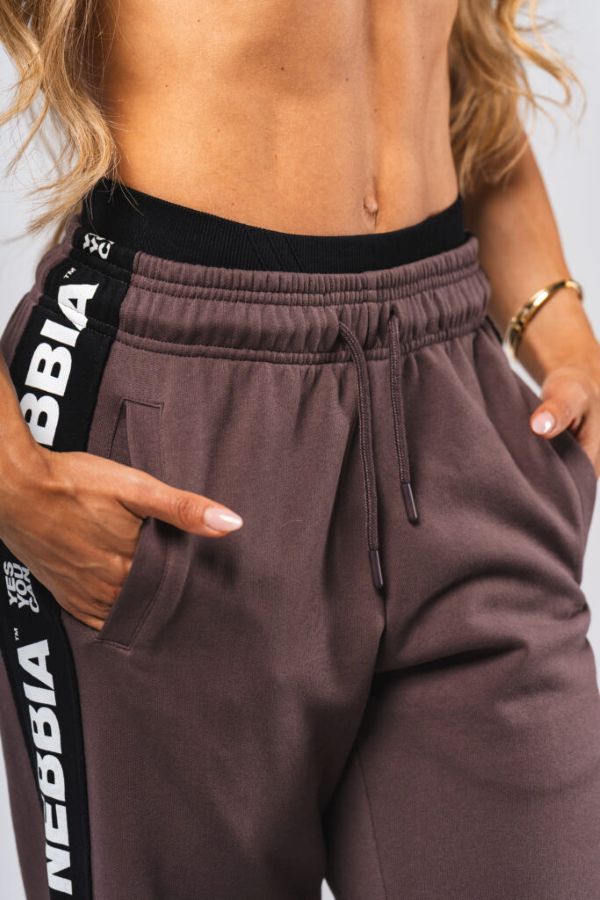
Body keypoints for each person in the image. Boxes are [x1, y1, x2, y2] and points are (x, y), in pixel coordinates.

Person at [0, 1, 598, 898]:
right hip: (175, 420)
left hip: (450, 392)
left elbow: (455, 52)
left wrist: (561, 329)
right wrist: (16, 483)